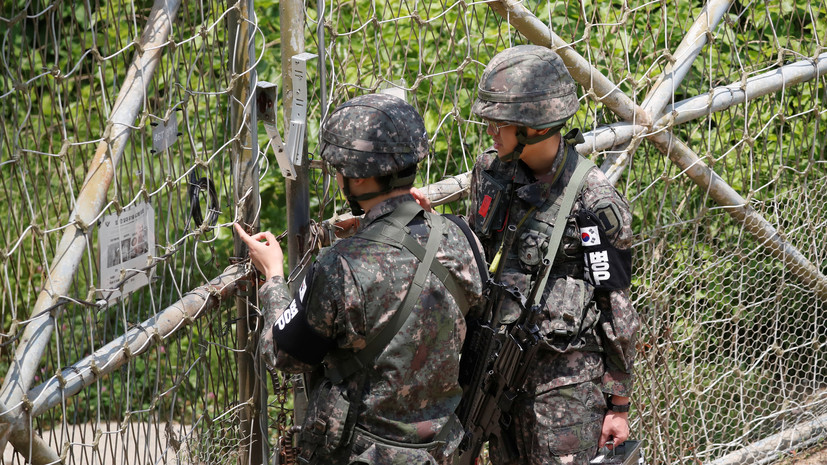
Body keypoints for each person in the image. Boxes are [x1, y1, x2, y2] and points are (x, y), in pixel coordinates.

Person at [235, 93, 485, 465]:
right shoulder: (461, 236)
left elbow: (283, 353)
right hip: (440, 448)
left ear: (360, 177)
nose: (337, 176)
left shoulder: (340, 265)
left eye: (339, 169)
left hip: (364, 451)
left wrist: (273, 277)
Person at [466, 45, 640, 464]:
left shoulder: (594, 203)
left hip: (565, 393)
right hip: (498, 380)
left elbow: (615, 306)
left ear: (534, 125)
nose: (490, 131)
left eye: (500, 123)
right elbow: (473, 251)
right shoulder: (491, 170)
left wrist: (618, 404)